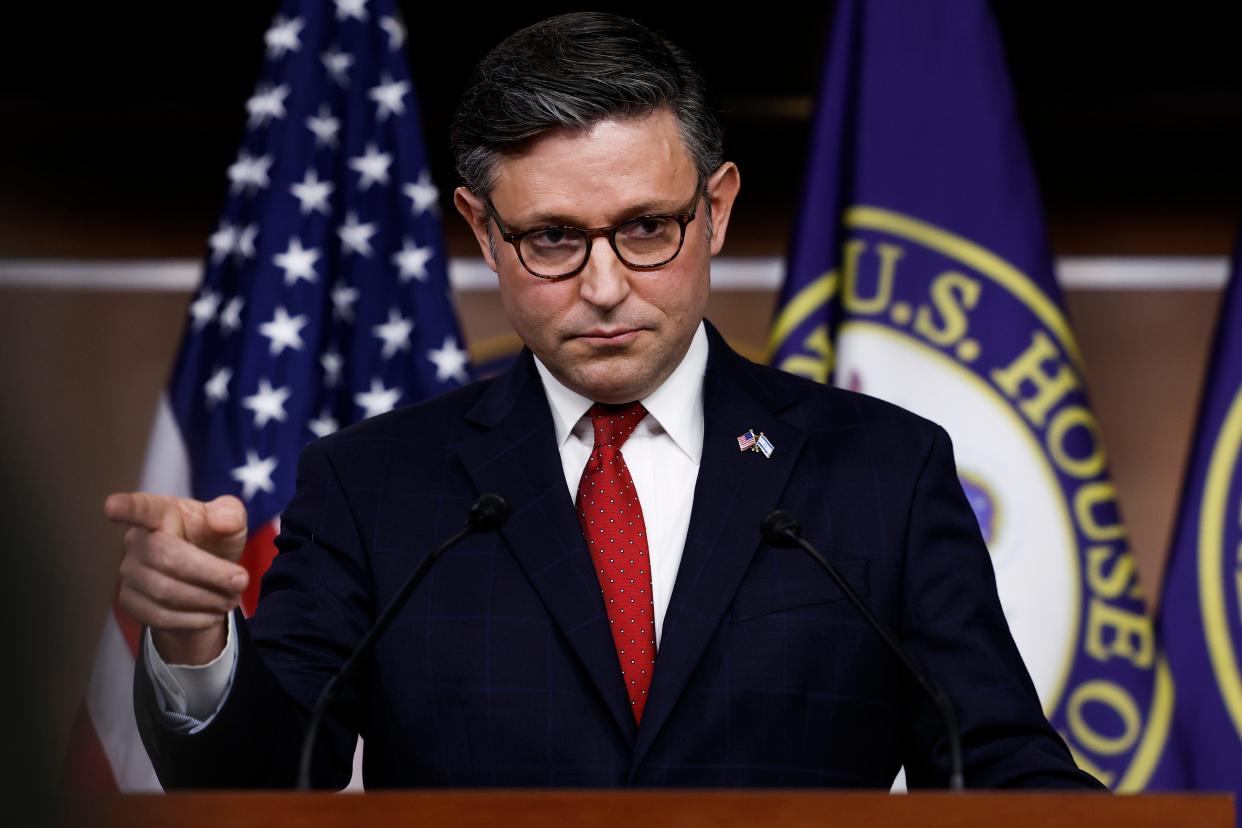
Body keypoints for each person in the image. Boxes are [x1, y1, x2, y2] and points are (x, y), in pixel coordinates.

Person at [106, 12, 1102, 790]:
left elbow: (998, 772)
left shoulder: (881, 470)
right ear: (483, 232)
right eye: (553, 238)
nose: (606, 285)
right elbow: (262, 784)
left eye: (646, 229)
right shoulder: (374, 485)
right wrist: (196, 646)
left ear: (714, 210)